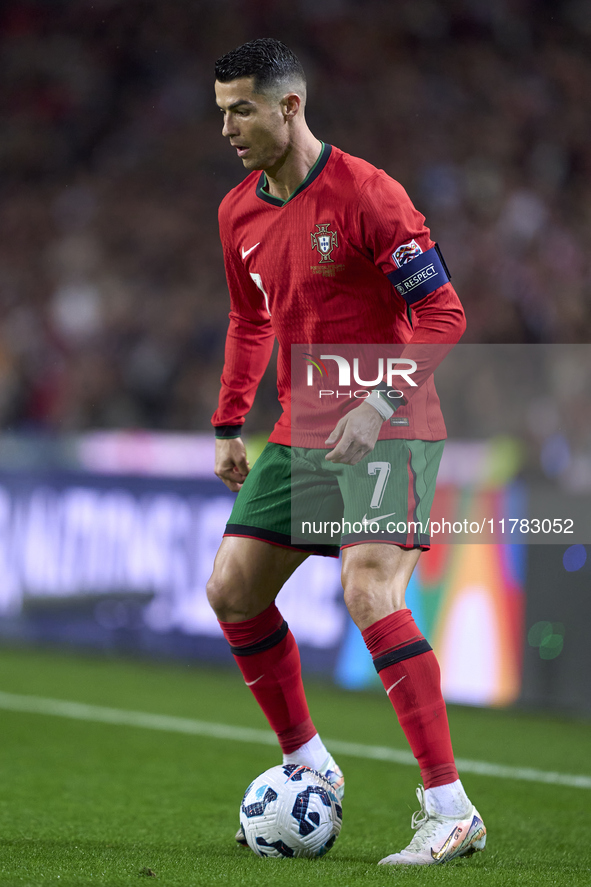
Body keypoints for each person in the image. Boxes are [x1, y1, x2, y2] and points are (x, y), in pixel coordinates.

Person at [207, 37, 486, 866]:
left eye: (243, 109)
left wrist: (378, 398)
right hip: (300, 431)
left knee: (366, 590)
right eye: (221, 110)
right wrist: (230, 422)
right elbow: (250, 319)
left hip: (389, 424)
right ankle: (308, 763)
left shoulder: (369, 195)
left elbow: (445, 316)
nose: (227, 126)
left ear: (289, 106)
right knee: (230, 591)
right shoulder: (237, 212)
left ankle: (449, 807)